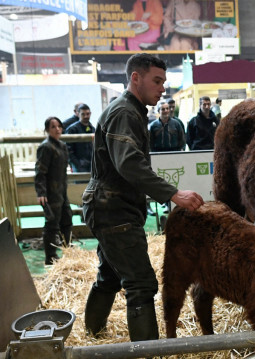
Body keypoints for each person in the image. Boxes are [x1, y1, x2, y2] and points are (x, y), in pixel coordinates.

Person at [82, 53, 204, 342]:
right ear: (135, 77)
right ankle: (146, 352)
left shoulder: (132, 111)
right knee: (141, 283)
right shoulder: (125, 112)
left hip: (110, 205)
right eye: (157, 80)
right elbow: (129, 163)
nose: (163, 88)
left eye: (164, 82)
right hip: (113, 209)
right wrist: (173, 193)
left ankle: (92, 335)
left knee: (110, 276)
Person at [35, 116, 73, 265]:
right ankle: (50, 257)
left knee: (67, 219)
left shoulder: (62, 145)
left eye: (59, 126)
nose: (57, 129)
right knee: (52, 224)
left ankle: (67, 249)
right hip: (50, 192)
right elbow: (40, 172)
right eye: (53, 127)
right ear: (47, 130)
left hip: (61, 190)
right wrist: (41, 192)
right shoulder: (46, 147)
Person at [65, 103, 94, 173]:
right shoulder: (72, 129)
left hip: (91, 166)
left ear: (90, 113)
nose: (86, 116)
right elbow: (68, 150)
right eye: (83, 114)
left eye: (87, 114)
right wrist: (77, 164)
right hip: (79, 166)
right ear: (78, 114)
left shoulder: (92, 128)